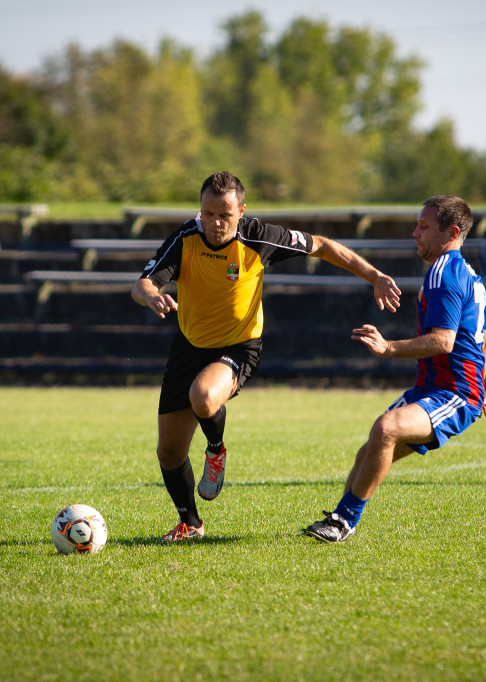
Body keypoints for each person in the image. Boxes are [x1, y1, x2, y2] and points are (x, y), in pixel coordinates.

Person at [132, 171, 401, 542]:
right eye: (207, 213)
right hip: (188, 346)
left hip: (238, 346)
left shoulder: (259, 237)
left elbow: (321, 245)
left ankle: (215, 450)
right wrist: (152, 296)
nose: (214, 222)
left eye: (224, 214)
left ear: (241, 211)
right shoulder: (185, 237)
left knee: (204, 396)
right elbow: (142, 283)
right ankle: (190, 524)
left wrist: (374, 276)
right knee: (169, 452)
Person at [303, 194, 486, 543]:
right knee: (370, 450)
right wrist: (481, 386)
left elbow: (443, 342)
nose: (414, 233)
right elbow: (485, 337)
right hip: (438, 389)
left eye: (424, 226)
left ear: (451, 232)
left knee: (386, 428)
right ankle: (336, 518)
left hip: (453, 393)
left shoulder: (445, 274)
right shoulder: (468, 274)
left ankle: (344, 522)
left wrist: (388, 347)